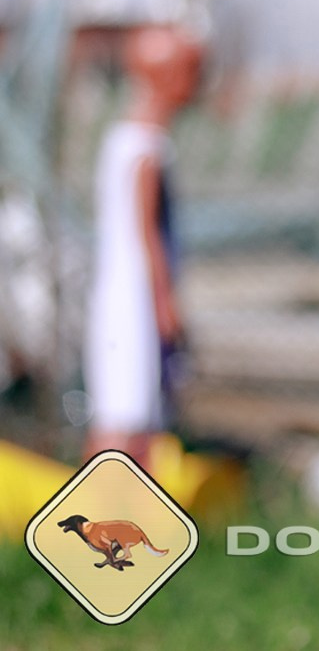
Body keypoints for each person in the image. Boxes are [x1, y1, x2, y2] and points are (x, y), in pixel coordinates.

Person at [83, 26, 200, 463]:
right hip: (134, 301)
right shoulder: (145, 148)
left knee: (130, 412)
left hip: (120, 294)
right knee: (126, 418)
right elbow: (146, 232)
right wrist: (166, 302)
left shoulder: (124, 140)